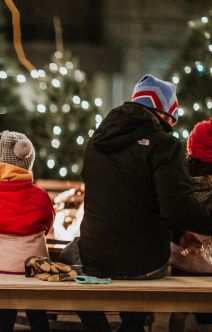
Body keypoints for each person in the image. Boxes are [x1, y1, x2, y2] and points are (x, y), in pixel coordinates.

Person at [59, 74, 212, 332]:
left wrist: (180, 234)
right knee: (143, 265)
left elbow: (130, 199)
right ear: (164, 113)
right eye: (172, 120)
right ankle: (132, 326)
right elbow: (176, 207)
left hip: (95, 260)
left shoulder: (96, 143)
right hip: (147, 266)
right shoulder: (165, 145)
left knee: (68, 255)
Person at [0, 129, 55, 332]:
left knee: (5, 311)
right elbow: (48, 223)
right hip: (34, 269)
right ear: (27, 160)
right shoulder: (41, 196)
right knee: (36, 309)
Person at [169, 118, 212, 332]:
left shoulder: (177, 175)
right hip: (210, 263)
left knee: (178, 307)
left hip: (181, 259)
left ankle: (177, 321)